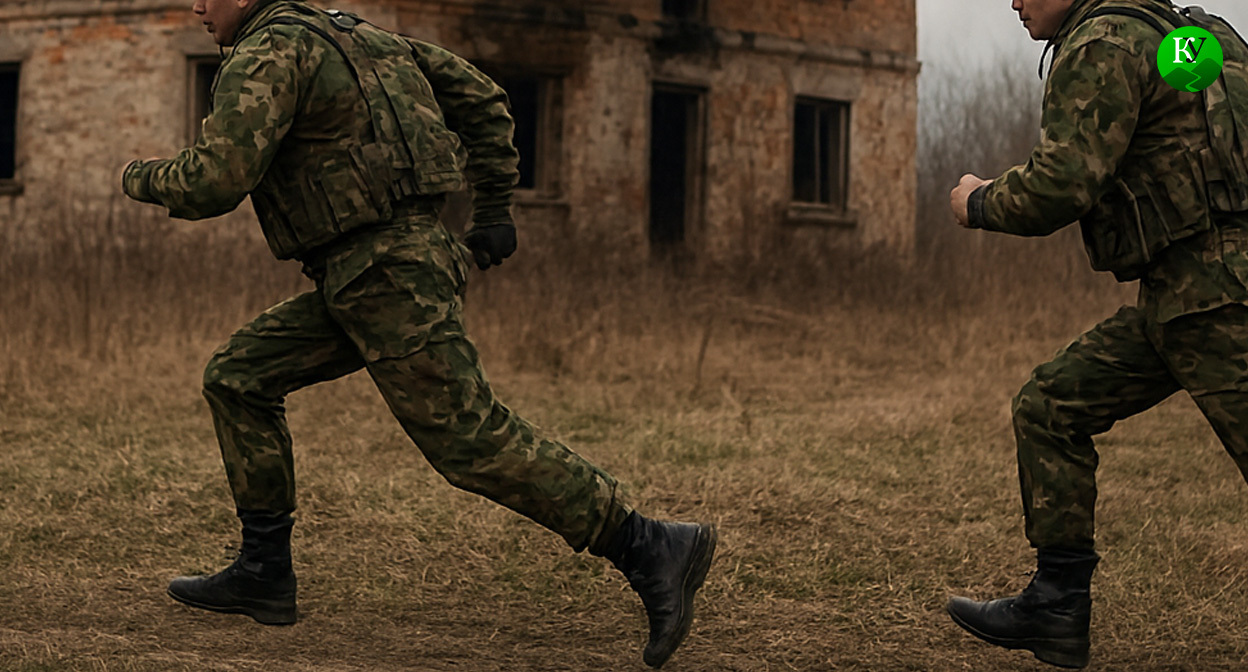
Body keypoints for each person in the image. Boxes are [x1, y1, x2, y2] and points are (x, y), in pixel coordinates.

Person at [121, 0, 716, 667]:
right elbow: (486, 98)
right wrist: (491, 208)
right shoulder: (365, 37)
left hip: (385, 277)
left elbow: (216, 181)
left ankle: (650, 545)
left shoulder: (264, 54)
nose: (197, 7)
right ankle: (264, 571)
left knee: (467, 438)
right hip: (374, 271)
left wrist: (139, 176)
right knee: (238, 377)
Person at [947, 0, 1248, 668]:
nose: (1015, 2)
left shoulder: (1103, 43)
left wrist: (978, 200)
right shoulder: (1192, 37)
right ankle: (1056, 608)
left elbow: (1064, 183)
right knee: (1050, 406)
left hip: (1213, 300)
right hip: (1184, 295)